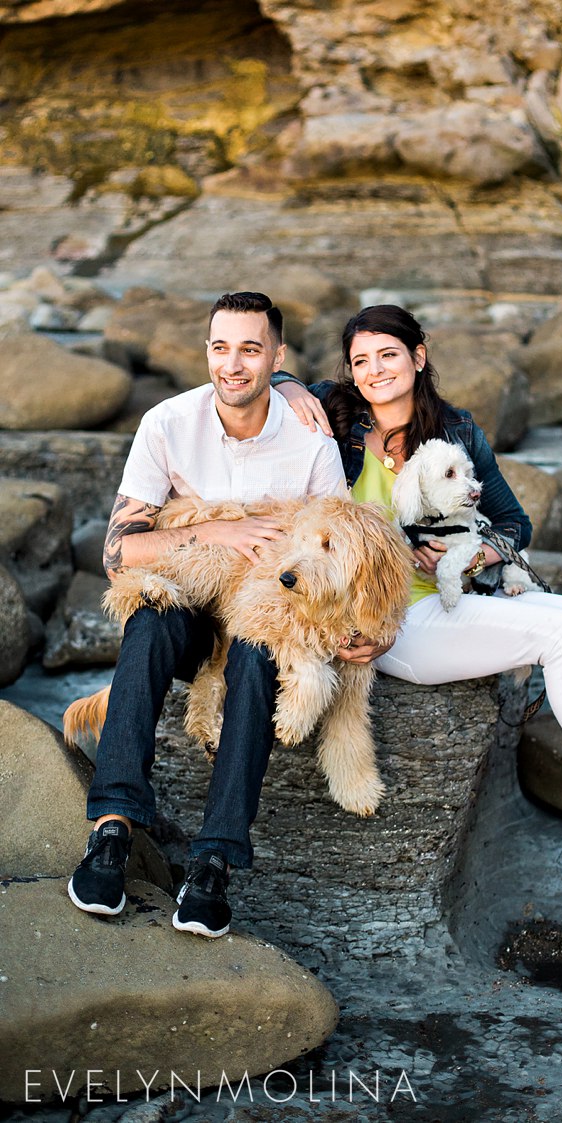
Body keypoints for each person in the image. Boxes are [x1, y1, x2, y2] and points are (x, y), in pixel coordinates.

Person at [273, 305, 562, 828]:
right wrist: (290, 386)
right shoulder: (334, 413)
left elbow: (514, 523)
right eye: (360, 361)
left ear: (418, 356)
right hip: (384, 617)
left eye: (388, 355)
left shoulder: (456, 431)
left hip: (446, 596)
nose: (374, 371)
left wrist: (475, 554)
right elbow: (262, 377)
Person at [67, 291, 348, 939]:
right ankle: (112, 828)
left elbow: (335, 551)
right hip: (194, 608)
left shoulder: (310, 443)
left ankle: (213, 859)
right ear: (207, 352)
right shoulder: (168, 422)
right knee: (148, 618)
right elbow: (118, 552)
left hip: (265, 612)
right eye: (221, 347)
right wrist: (220, 533)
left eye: (251, 349)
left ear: (276, 357)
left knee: (255, 655)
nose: (233, 363)